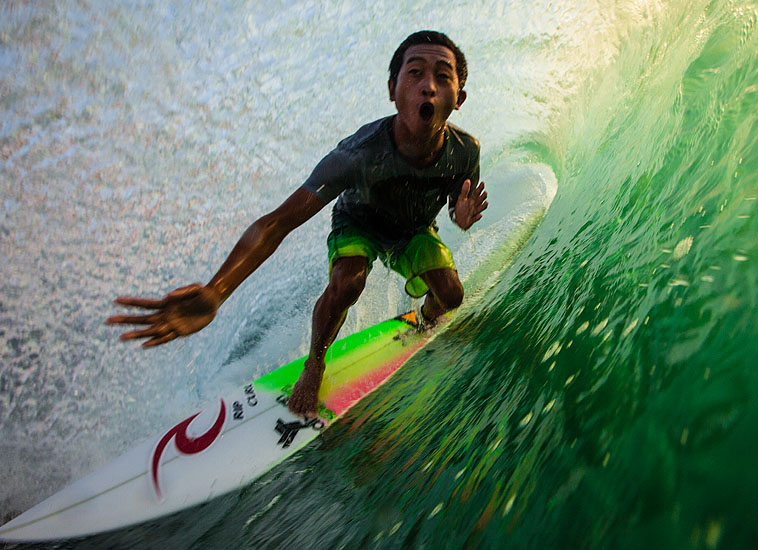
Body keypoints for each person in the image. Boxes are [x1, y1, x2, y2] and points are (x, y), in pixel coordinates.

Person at [107, 30, 489, 416]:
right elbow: (277, 223)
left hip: (414, 230)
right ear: (392, 89)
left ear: (459, 98)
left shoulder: (465, 151)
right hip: (359, 224)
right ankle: (315, 364)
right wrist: (217, 290)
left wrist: (462, 218)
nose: (428, 87)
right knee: (348, 282)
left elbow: (458, 208)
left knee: (451, 295)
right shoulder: (357, 156)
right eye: (415, 74)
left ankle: (423, 321)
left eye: (443, 77)